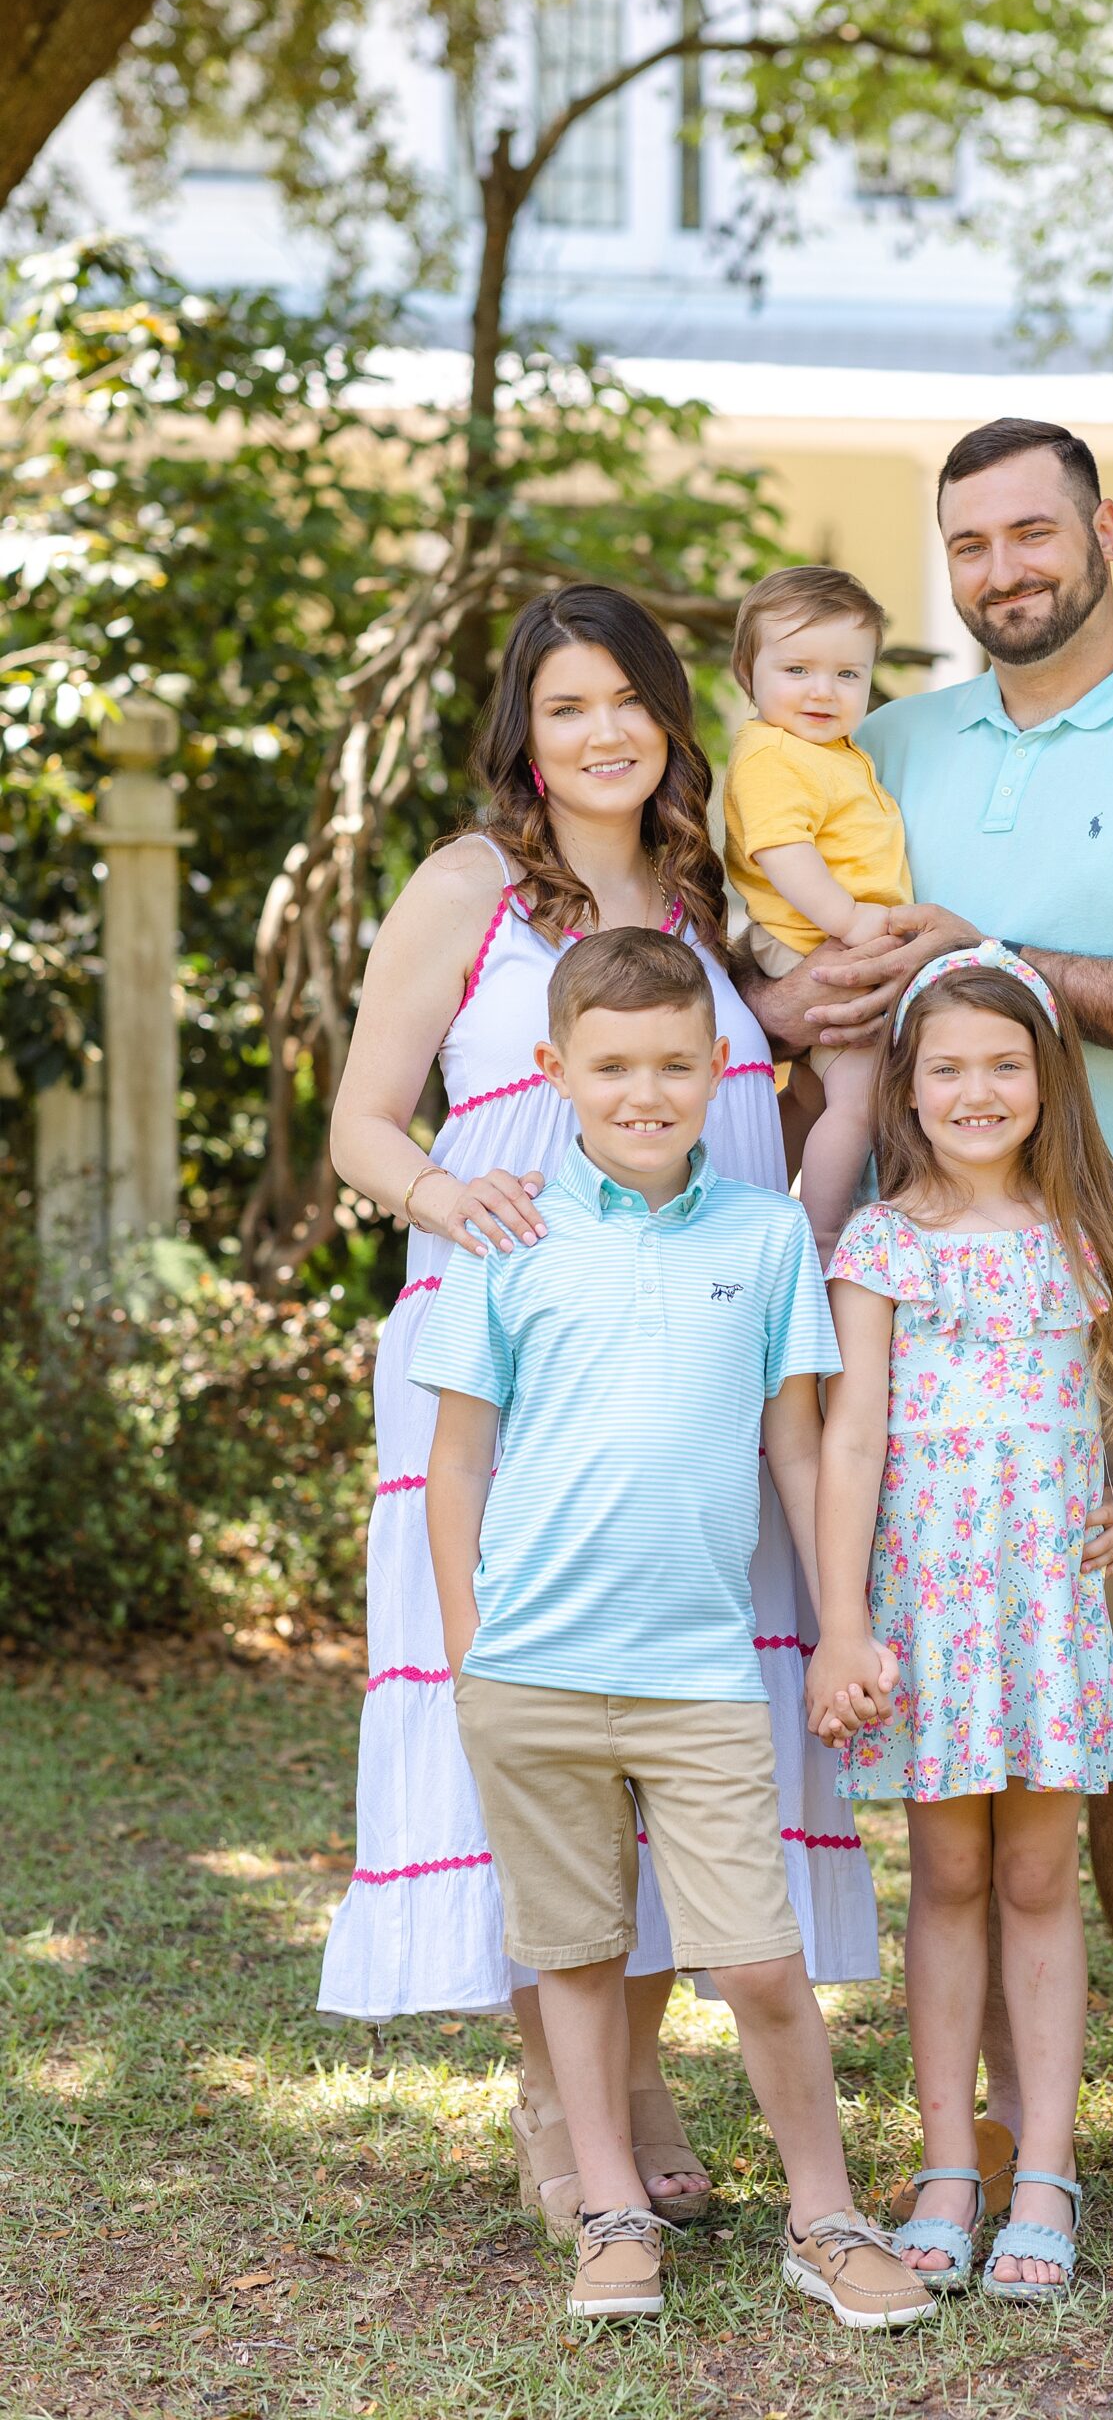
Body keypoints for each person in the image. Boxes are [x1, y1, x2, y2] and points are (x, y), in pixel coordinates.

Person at [741, 417, 1113, 2225]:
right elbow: (779, 942)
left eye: (1030, 534)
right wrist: (791, 983)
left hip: (1105, 1296)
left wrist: (990, 959)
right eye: (969, 544)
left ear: (1100, 533)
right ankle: (982, 2115)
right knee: (939, 1730)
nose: (1003, 569)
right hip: (903, 1290)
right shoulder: (883, 737)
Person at [317, 584, 878, 2239]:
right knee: (538, 1713)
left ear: (669, 718)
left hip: (703, 1377)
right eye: (565, 708)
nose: (602, 733)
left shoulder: (713, 897)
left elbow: (775, 1086)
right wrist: (441, 1191)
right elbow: (361, 1118)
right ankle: (564, 2117)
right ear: (523, 733)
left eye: (627, 700)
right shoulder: (467, 889)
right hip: (510, 1361)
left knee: (670, 1709)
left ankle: (633, 2087)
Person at [413, 928, 931, 2328]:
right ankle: (610, 2211)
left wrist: (840, 1628)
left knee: (755, 1959)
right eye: (612, 1066)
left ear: (719, 1070)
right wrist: (469, 1656)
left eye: (672, 1065)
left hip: (697, 1675)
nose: (644, 1091)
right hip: (531, 1672)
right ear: (554, 1070)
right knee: (577, 1956)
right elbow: (456, 1463)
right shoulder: (506, 1234)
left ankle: (823, 2217)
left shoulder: (762, 1241)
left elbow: (803, 1454)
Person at [807, 945, 1113, 2301]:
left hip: (1045, 1614)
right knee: (942, 1885)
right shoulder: (882, 1239)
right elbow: (849, 1436)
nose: (976, 1091)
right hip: (927, 1614)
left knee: (1037, 1881)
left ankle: (1044, 2174)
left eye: (1003, 1066)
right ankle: (949, 2168)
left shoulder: (1091, 1230)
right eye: (947, 1068)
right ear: (909, 1085)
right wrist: (837, 1623)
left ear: (1045, 1081)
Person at [722, 565, 911, 1262]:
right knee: (858, 1097)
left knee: (809, 1089)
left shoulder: (828, 752)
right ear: (749, 672)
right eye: (796, 668)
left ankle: (748, 1198)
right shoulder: (773, 753)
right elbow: (782, 852)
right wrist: (851, 921)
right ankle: (824, 1238)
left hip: (823, 934)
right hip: (804, 938)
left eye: (846, 675)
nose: (821, 691)